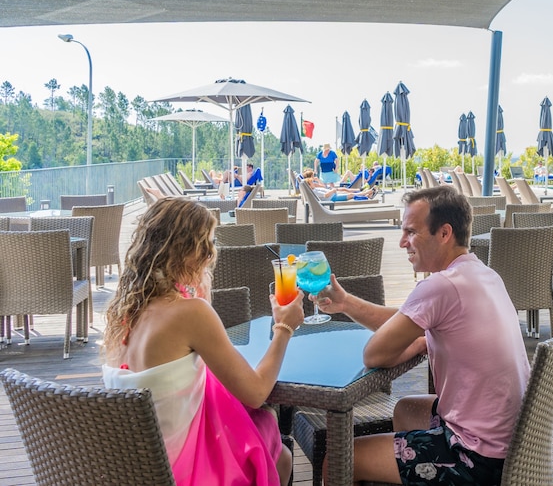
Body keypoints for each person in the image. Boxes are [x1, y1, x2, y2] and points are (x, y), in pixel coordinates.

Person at [312, 185, 530, 484]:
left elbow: (374, 354)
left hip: (475, 457)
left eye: (411, 232)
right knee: (406, 409)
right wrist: (346, 303)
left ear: (444, 234)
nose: (403, 242)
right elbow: (407, 321)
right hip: (514, 444)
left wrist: (416, 344)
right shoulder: (482, 274)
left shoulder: (441, 286)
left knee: (338, 460)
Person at [102, 198, 305, 486]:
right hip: (182, 471)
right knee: (275, 446)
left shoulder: (124, 312)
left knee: (273, 446)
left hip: (137, 465)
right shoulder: (190, 313)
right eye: (208, 243)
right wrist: (284, 326)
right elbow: (256, 392)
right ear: (195, 252)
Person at [300, 170, 377, 201]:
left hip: (333, 195)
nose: (313, 182)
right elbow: (326, 195)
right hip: (332, 198)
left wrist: (332, 190)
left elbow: (324, 189)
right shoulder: (314, 191)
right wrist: (333, 190)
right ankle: (368, 192)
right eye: (312, 183)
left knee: (348, 193)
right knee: (350, 194)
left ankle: (367, 194)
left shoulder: (313, 189)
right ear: (309, 186)